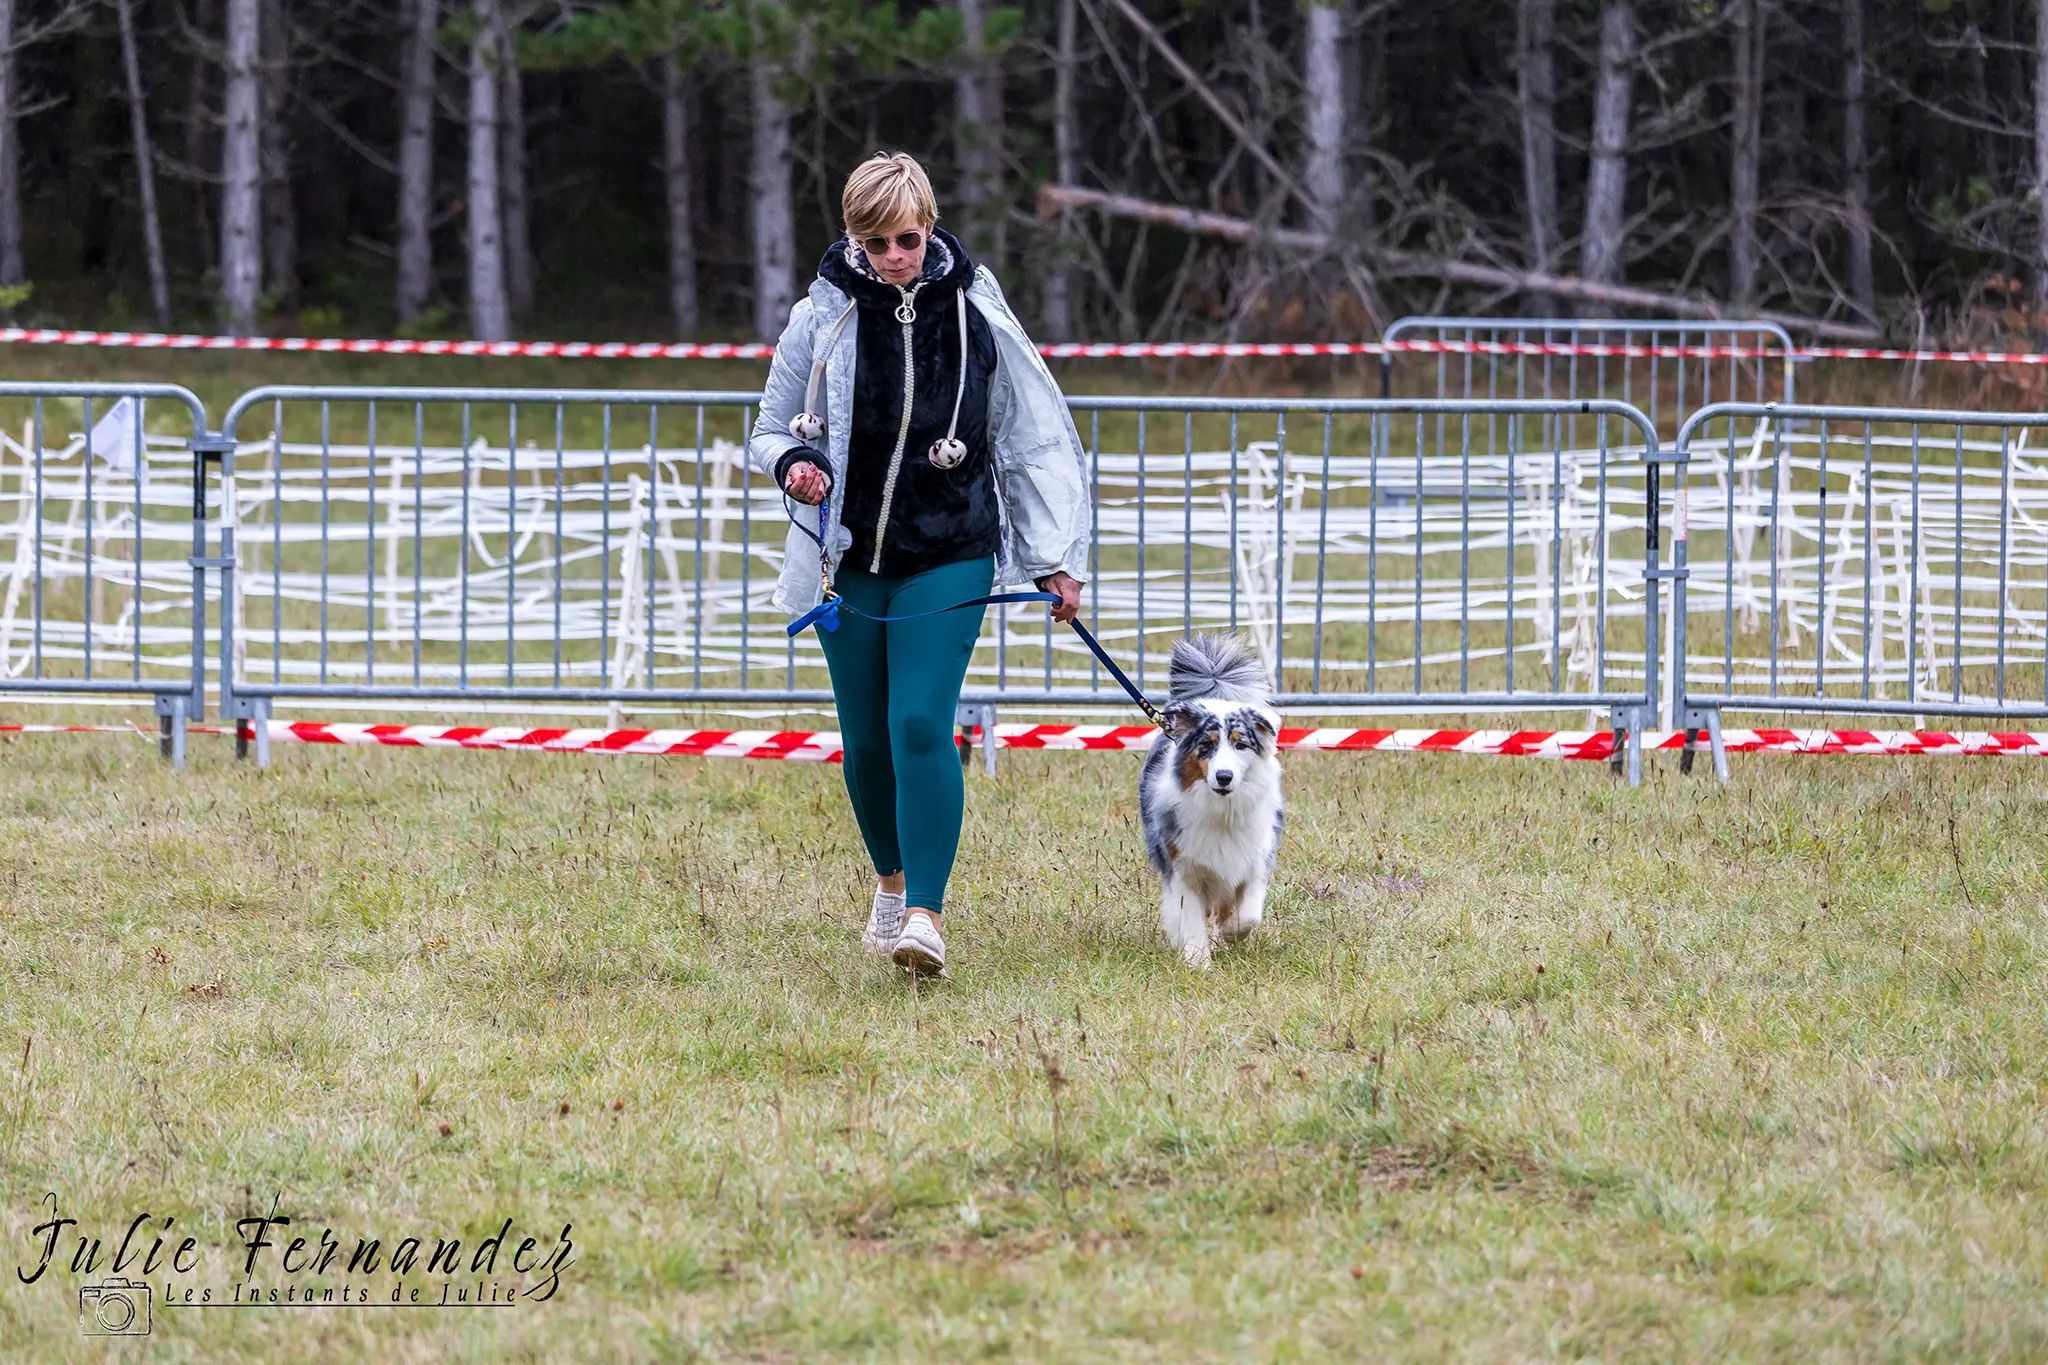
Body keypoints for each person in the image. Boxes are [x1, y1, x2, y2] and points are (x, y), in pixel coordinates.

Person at [749, 152, 1089, 977]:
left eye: (905, 238)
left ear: (929, 227)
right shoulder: (819, 319)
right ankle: (891, 885)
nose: (892, 256)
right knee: (865, 740)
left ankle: (927, 918)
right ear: (852, 237)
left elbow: (1032, 437)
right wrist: (795, 459)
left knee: (918, 724)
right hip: (850, 560)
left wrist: (1056, 558)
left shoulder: (977, 312)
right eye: (874, 242)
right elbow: (764, 428)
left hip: (951, 551)